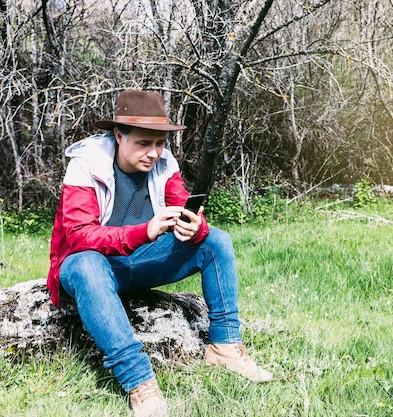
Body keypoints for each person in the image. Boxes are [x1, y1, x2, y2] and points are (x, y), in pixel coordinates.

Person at [46, 89, 272, 417]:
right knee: (86, 265)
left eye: (160, 143)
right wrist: (146, 230)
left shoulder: (165, 163)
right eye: (143, 143)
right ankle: (140, 383)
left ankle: (225, 347)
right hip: (90, 268)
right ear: (119, 135)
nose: (153, 153)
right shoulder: (86, 165)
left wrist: (196, 228)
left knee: (216, 241)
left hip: (135, 263)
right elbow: (79, 236)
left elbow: (188, 212)